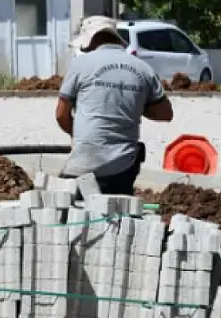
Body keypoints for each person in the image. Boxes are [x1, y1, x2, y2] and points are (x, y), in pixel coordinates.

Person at [55, 15, 173, 195]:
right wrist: (134, 103)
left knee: (69, 211)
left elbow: (61, 114)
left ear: (92, 39)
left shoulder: (80, 64)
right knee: (117, 216)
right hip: (123, 167)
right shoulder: (143, 68)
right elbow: (166, 113)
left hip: (82, 164)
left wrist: (78, 136)